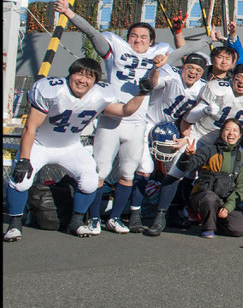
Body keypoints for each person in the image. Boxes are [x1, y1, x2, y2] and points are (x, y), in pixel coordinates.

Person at [54, 0, 179, 235]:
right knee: (100, 171)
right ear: (127, 37)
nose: (138, 40)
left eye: (144, 37)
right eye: (134, 36)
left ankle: (114, 218)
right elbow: (92, 34)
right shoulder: (115, 50)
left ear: (151, 41)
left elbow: (183, 52)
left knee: (127, 173)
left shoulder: (158, 59)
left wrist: (206, 41)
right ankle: (92, 219)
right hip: (112, 119)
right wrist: (70, 14)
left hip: (136, 123)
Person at [4, 58, 150, 241]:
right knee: (21, 180)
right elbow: (30, 127)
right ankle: (14, 225)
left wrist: (142, 93)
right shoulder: (52, 90)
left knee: (90, 179)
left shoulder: (100, 94)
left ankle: (76, 222)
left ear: (95, 81)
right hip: (40, 145)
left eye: (89, 76)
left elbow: (125, 110)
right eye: (78, 74)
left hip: (70, 146)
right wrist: (25, 159)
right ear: (70, 74)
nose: (82, 80)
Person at [145, 64, 243, 236]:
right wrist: (204, 109)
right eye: (239, 78)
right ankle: (161, 215)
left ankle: (196, 211)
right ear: (232, 77)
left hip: (224, 145)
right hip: (199, 136)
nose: (242, 82)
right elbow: (188, 117)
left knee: (221, 175)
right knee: (178, 172)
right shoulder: (216, 88)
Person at [129, 52, 208, 232]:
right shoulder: (171, 75)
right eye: (190, 68)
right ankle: (134, 214)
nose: (193, 73)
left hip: (175, 130)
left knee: (177, 170)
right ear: (182, 67)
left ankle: (160, 215)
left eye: (198, 70)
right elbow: (154, 83)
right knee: (145, 168)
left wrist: (187, 138)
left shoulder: (202, 88)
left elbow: (191, 118)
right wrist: (156, 68)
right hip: (149, 123)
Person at [176, 119, 243, 238]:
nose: (231, 133)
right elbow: (186, 167)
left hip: (224, 200)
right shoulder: (209, 150)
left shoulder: (242, 157)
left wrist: (228, 207)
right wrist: (187, 156)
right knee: (210, 198)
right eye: (227, 129)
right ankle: (208, 228)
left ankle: (213, 220)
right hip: (204, 196)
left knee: (238, 229)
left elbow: (242, 186)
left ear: (240, 135)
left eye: (235, 130)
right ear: (221, 132)